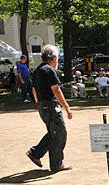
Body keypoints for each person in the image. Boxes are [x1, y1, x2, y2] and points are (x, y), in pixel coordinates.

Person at [26, 44, 73, 172]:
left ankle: (35, 153)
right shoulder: (49, 70)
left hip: (42, 106)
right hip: (51, 105)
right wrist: (67, 107)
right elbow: (56, 90)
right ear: (52, 57)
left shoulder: (37, 71)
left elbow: (34, 90)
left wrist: (39, 103)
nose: (57, 59)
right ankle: (56, 164)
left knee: (54, 132)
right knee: (60, 133)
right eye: (56, 56)